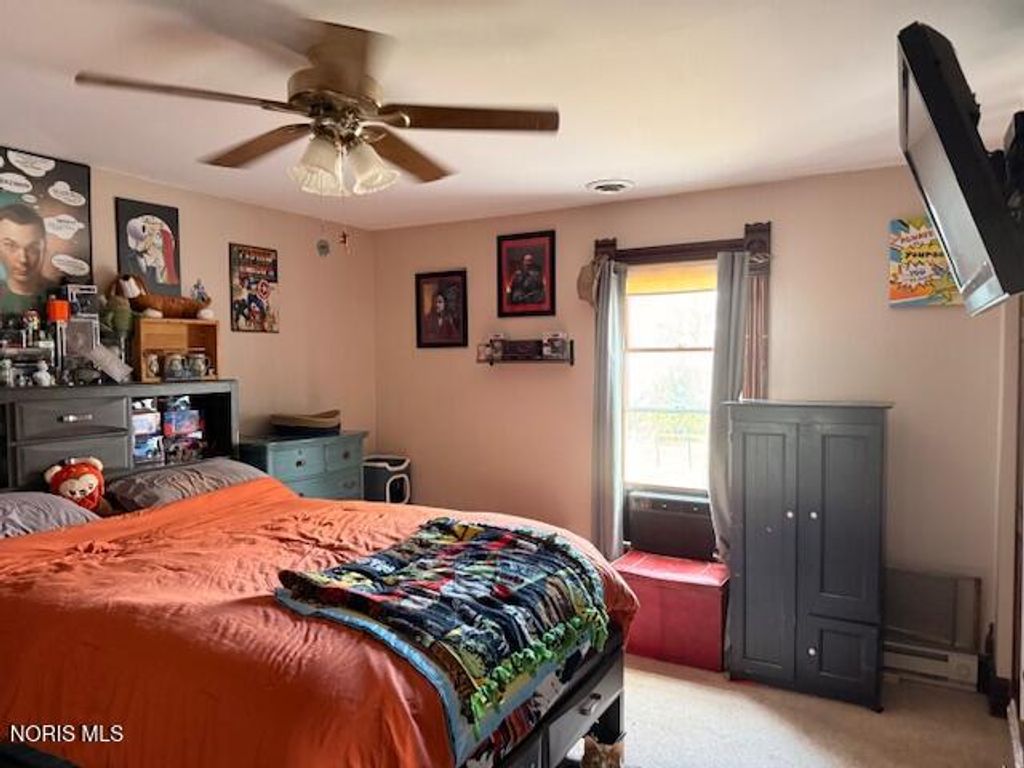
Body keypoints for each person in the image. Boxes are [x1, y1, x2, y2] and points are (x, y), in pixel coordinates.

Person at [0, 203, 49, 313]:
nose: (23, 259)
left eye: (32, 248)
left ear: (44, 248)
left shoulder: (56, 293)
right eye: (11, 246)